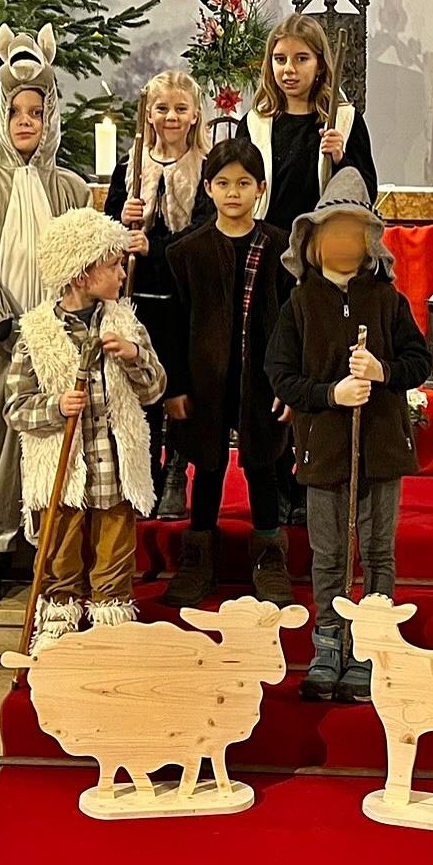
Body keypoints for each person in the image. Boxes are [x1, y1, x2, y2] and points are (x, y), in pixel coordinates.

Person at [267, 170, 429, 704]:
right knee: (329, 551)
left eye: (352, 232)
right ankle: (329, 643)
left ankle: (372, 643)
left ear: (368, 244)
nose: (341, 243)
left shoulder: (387, 301)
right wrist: (328, 395)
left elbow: (418, 360)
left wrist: (383, 371)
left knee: (378, 549)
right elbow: (281, 373)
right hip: (324, 447)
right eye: (331, 232)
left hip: (380, 447)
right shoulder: (299, 305)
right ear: (311, 243)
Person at [0, 26, 90, 601]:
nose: (26, 122)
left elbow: (81, 260)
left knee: (46, 436)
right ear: (2, 116)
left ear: (51, 115)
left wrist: (54, 325)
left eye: (37, 111)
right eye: (17, 111)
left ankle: (41, 541)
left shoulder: (72, 188)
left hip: (50, 337)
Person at [8, 209, 167, 652]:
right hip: (64, 481)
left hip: (114, 477)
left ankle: (109, 638)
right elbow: (15, 408)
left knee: (113, 565)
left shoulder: (123, 322)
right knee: (60, 561)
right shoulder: (36, 332)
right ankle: (58, 634)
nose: (121, 271)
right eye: (112, 264)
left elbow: (155, 390)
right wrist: (56, 407)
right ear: (81, 274)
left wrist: (135, 356)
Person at [163, 139, 295, 606]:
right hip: (204, 381)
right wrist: (174, 385)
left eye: (243, 183)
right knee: (209, 465)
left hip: (261, 379)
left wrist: (287, 383)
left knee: (263, 465)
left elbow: (292, 323)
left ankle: (269, 555)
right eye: (223, 183)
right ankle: (199, 555)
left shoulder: (282, 249)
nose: (233, 192)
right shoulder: (187, 252)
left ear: (260, 188)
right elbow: (174, 326)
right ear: (208, 188)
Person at [104, 69, 210, 519]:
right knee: (140, 382)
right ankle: (142, 467)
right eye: (162, 108)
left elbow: (207, 232)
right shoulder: (131, 166)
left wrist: (157, 247)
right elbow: (107, 231)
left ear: (194, 115)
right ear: (149, 113)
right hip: (139, 295)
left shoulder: (206, 168)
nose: (171, 116)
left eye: (180, 109)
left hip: (184, 297)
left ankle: (176, 471)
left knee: (179, 389)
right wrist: (119, 217)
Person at [245, 13, 378, 236]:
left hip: (323, 244)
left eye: (301, 58)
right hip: (268, 242)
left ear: (320, 65)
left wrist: (340, 159)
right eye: (280, 59)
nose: (289, 69)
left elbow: (367, 191)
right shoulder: (255, 123)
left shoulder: (345, 120)